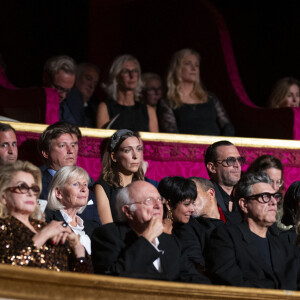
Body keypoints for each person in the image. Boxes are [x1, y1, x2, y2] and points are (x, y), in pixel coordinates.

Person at [91, 180, 210, 283]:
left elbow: (191, 278)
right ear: (128, 211)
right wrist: (147, 238)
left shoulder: (170, 241)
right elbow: (114, 279)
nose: (158, 205)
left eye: (159, 199)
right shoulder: (107, 235)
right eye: (149, 200)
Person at [205, 172, 300, 290]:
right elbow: (230, 282)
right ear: (244, 204)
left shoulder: (283, 245)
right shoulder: (225, 237)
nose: (274, 202)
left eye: (275, 197)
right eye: (265, 197)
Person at [0, 160, 91, 272]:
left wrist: (77, 245)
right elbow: (8, 270)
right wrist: (43, 235)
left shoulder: (45, 227)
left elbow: (86, 277)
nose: (30, 193)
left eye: (34, 188)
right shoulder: (4, 227)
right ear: (4, 196)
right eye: (22, 187)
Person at [157, 48, 234, 135]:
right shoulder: (168, 102)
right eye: (188, 64)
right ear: (177, 68)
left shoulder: (210, 98)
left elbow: (227, 126)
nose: (194, 68)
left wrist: (223, 145)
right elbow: (172, 133)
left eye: (197, 65)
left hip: (215, 147)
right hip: (187, 148)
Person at [38, 122, 100, 224]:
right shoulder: (37, 184)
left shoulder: (90, 182)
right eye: (62, 145)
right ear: (46, 153)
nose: (71, 150)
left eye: (73, 145)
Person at [172, 177, 225, 273]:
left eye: (193, 194)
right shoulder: (186, 226)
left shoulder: (237, 219)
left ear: (211, 194)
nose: (189, 200)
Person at [45, 166, 99, 255]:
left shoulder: (92, 227)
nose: (84, 189)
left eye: (85, 184)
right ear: (58, 193)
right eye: (75, 184)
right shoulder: (49, 221)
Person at [96, 54, 158, 132]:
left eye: (135, 71)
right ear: (116, 76)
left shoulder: (148, 110)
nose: (132, 76)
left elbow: (154, 142)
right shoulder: (105, 107)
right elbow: (101, 139)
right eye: (126, 71)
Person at [94, 129, 144, 225]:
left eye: (139, 149)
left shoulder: (144, 185)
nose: (135, 155)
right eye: (127, 150)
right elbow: (108, 229)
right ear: (114, 157)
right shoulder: (103, 188)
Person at [43, 55, 86, 126]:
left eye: (68, 90)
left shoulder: (76, 97)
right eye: (59, 88)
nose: (63, 95)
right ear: (46, 79)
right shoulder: (34, 101)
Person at [204, 140, 245, 212]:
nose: (237, 165)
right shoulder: (203, 199)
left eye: (239, 160)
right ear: (212, 167)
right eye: (230, 160)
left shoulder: (246, 197)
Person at [75, 63, 100, 127]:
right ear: (76, 77)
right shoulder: (64, 103)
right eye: (88, 79)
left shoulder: (95, 109)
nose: (92, 86)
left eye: (95, 83)